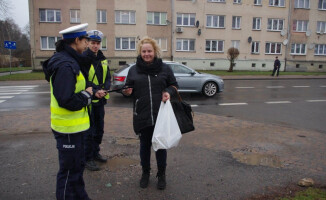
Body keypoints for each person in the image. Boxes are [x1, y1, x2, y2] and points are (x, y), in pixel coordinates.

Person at [42, 23, 93, 200]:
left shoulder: (69, 60)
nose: (87, 44)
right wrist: (86, 95)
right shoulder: (65, 64)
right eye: (85, 40)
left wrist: (89, 90)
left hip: (74, 129)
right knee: (69, 173)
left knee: (76, 169)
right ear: (77, 40)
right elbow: (66, 99)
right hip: (68, 130)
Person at [122, 36, 179, 190]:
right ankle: (145, 173)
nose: (147, 54)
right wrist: (127, 91)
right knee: (144, 147)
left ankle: (161, 175)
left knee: (160, 146)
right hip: (142, 114)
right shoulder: (133, 70)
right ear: (140, 52)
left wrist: (168, 92)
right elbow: (128, 89)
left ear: (155, 51)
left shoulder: (165, 68)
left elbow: (174, 85)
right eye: (144, 51)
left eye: (150, 51)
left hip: (160, 114)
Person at [83, 30, 111, 171]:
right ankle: (87, 158)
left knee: (99, 129)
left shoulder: (102, 58)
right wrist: (95, 91)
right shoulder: (84, 58)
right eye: (93, 43)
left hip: (101, 100)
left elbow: (107, 77)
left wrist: (105, 88)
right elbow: (84, 80)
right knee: (89, 131)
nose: (95, 46)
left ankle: (95, 153)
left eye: (98, 43)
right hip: (89, 100)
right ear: (88, 43)